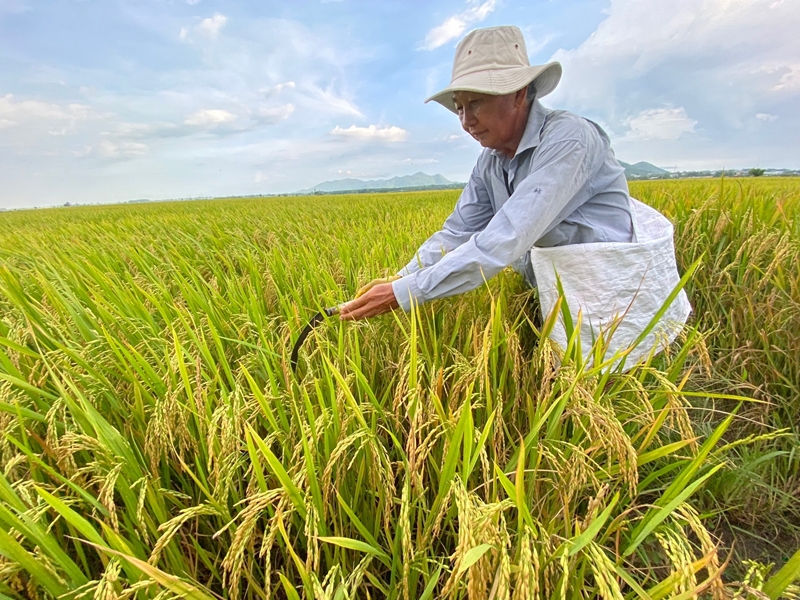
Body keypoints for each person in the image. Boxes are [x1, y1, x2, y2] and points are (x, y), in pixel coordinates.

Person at [339, 25, 689, 366]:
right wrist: (403, 277)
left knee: (618, 380)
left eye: (475, 103)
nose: (466, 121)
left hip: (610, 292)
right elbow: (457, 232)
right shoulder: (489, 161)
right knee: (560, 386)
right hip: (557, 294)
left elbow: (507, 236)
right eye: (459, 107)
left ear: (519, 94)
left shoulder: (569, 139)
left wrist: (406, 294)